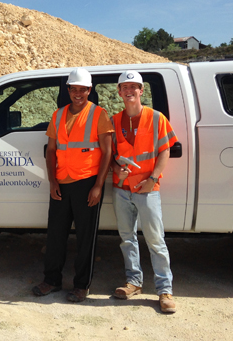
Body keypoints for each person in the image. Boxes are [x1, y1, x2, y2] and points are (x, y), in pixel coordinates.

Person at [32, 68, 113, 302]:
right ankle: (51, 280)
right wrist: (52, 181)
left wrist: (98, 186)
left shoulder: (99, 115)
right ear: (68, 90)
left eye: (83, 89)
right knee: (55, 235)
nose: (78, 93)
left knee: (86, 237)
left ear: (89, 90)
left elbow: (108, 152)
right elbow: (52, 151)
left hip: (87, 183)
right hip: (61, 182)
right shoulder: (58, 115)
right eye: (74, 89)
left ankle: (81, 285)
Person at [109, 70, 178, 314]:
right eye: (124, 87)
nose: (129, 91)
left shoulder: (157, 118)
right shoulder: (115, 121)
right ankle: (134, 282)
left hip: (147, 189)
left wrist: (152, 179)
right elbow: (110, 155)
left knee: (155, 241)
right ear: (119, 92)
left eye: (134, 87)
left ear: (142, 90)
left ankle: (164, 290)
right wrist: (117, 169)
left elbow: (165, 151)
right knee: (127, 239)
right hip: (122, 189)